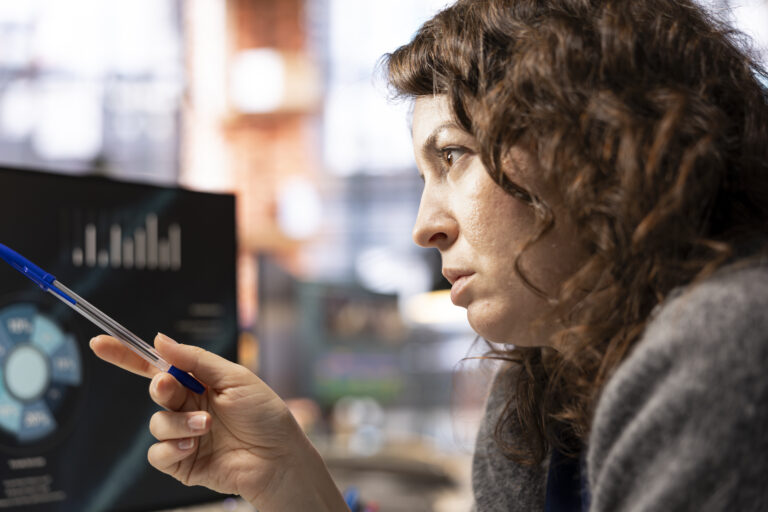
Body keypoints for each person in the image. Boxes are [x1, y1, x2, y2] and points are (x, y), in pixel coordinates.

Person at [90, 0, 768, 510]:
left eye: (454, 155)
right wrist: (287, 476)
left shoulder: (727, 344)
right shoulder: (537, 396)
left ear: (602, 146)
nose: (424, 227)